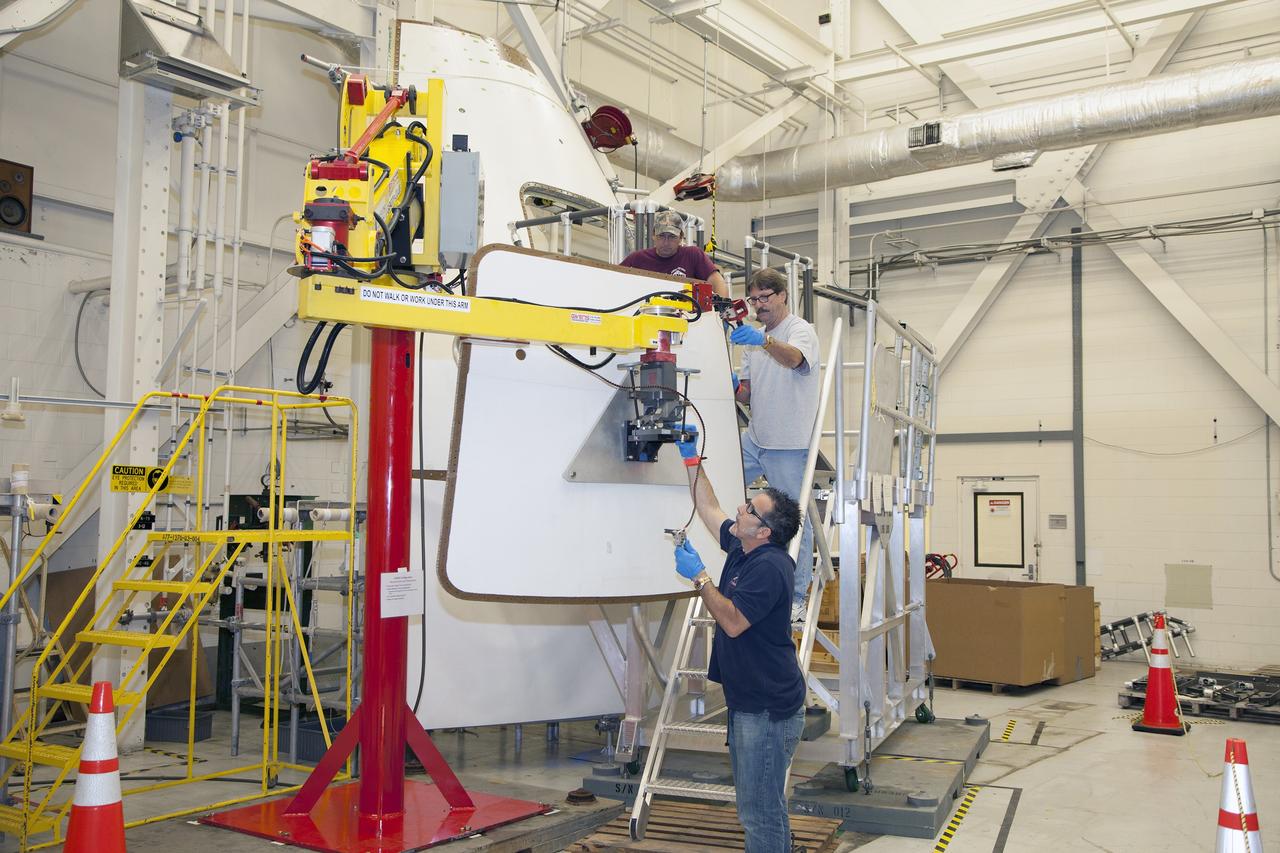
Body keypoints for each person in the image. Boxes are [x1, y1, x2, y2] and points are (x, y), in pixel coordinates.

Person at [672, 426, 806, 853]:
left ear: (764, 530)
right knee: (764, 805)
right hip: (752, 702)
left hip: (767, 710)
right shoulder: (743, 547)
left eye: (750, 510)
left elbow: (731, 622)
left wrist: (699, 577)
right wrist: (692, 458)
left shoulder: (769, 567)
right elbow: (708, 506)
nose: (740, 509)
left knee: (758, 811)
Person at [728, 268, 820, 621]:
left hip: (790, 442)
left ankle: (796, 596)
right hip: (756, 437)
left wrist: (761, 341)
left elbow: (795, 359)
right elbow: (747, 394)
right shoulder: (755, 338)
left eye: (765, 298)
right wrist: (733, 384)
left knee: (795, 518)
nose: (759, 305)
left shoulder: (799, 330)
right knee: (714, 472)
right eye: (754, 300)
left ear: (782, 295)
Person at [620, 210, 729, 297]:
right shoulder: (637, 259)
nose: (666, 242)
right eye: (661, 236)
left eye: (672, 237)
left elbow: (717, 281)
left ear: (681, 237)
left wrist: (722, 313)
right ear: (653, 235)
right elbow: (614, 279)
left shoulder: (692, 254)